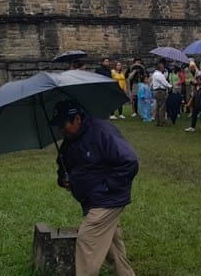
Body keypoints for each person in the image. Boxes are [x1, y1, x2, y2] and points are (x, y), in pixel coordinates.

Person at [51, 99, 138, 276]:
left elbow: (129, 162)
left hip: (106, 199)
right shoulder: (70, 139)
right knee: (111, 248)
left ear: (76, 119)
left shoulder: (102, 132)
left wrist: (104, 189)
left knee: (87, 242)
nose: (61, 130)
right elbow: (64, 167)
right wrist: (63, 179)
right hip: (91, 200)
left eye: (63, 124)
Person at [151, 62, 171, 127]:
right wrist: (170, 86)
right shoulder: (159, 75)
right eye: (163, 67)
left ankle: (158, 121)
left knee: (158, 106)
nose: (164, 68)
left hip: (156, 91)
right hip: (160, 91)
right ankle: (162, 122)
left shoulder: (154, 74)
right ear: (160, 68)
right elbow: (164, 83)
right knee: (162, 107)